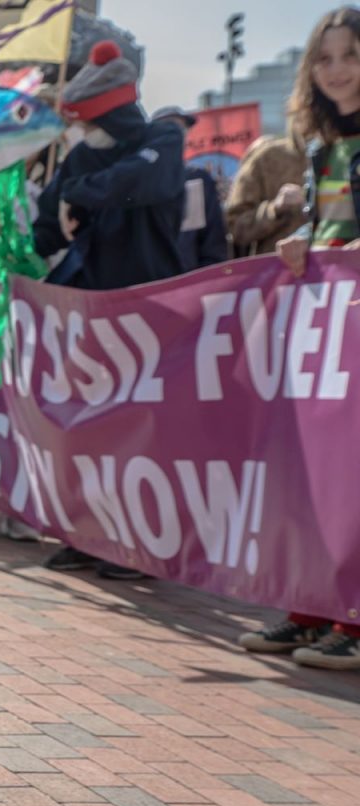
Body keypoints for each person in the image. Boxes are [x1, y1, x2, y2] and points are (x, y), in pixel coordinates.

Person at [31, 41, 187, 581]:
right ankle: (87, 534)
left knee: (143, 432)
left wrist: (78, 192)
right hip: (87, 314)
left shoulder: (161, 138)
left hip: (151, 312)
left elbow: (140, 181)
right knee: (88, 428)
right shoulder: (81, 156)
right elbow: (46, 226)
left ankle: (141, 546)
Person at [240, 6, 360, 671]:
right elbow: (328, 221)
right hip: (327, 324)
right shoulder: (320, 146)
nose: (336, 70)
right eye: (325, 58)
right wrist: (301, 242)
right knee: (314, 470)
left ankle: (351, 620)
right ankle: (309, 611)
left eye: (350, 55)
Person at [152, 106, 230, 270]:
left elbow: (213, 241)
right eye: (168, 129)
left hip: (191, 280)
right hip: (151, 281)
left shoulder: (197, 179)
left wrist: (208, 277)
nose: (175, 136)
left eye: (181, 130)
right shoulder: (136, 181)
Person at [226, 133, 309, 256]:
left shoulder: (337, 155)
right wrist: (274, 210)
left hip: (330, 260)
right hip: (276, 264)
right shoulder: (268, 158)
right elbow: (235, 226)